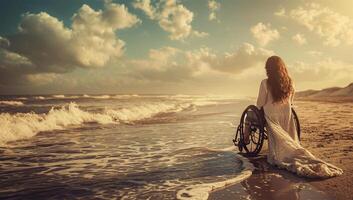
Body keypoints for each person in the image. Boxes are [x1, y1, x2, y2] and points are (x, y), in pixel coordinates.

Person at [253, 55, 343, 178]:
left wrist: (258, 109)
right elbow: (291, 101)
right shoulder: (290, 81)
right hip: (287, 115)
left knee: (250, 116)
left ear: (268, 68)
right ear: (282, 68)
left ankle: (246, 139)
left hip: (272, 116)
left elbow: (260, 103)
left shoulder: (265, 82)